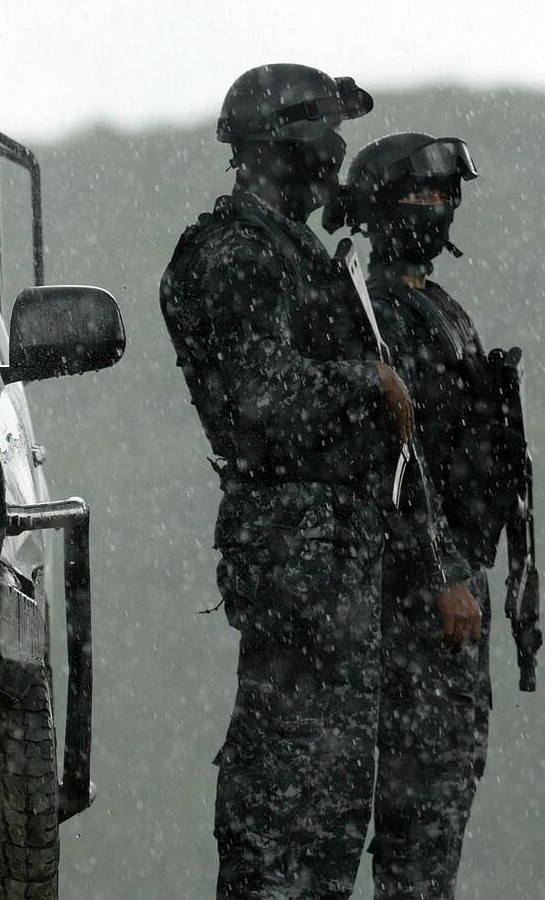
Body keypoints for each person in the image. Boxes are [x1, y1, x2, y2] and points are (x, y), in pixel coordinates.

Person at [161, 66, 483, 900]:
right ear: (287, 143)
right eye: (327, 137)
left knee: (332, 807)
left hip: (338, 553)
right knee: (288, 796)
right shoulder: (232, 251)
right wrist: (366, 381)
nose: (337, 154)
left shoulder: (296, 252)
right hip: (297, 553)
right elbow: (258, 399)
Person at [330, 132, 526, 898]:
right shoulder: (380, 313)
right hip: (414, 587)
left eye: (449, 199)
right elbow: (398, 460)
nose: (440, 211)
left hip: (450, 572)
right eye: (424, 199)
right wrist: (443, 571)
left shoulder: (429, 303)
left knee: (445, 791)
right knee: (423, 800)